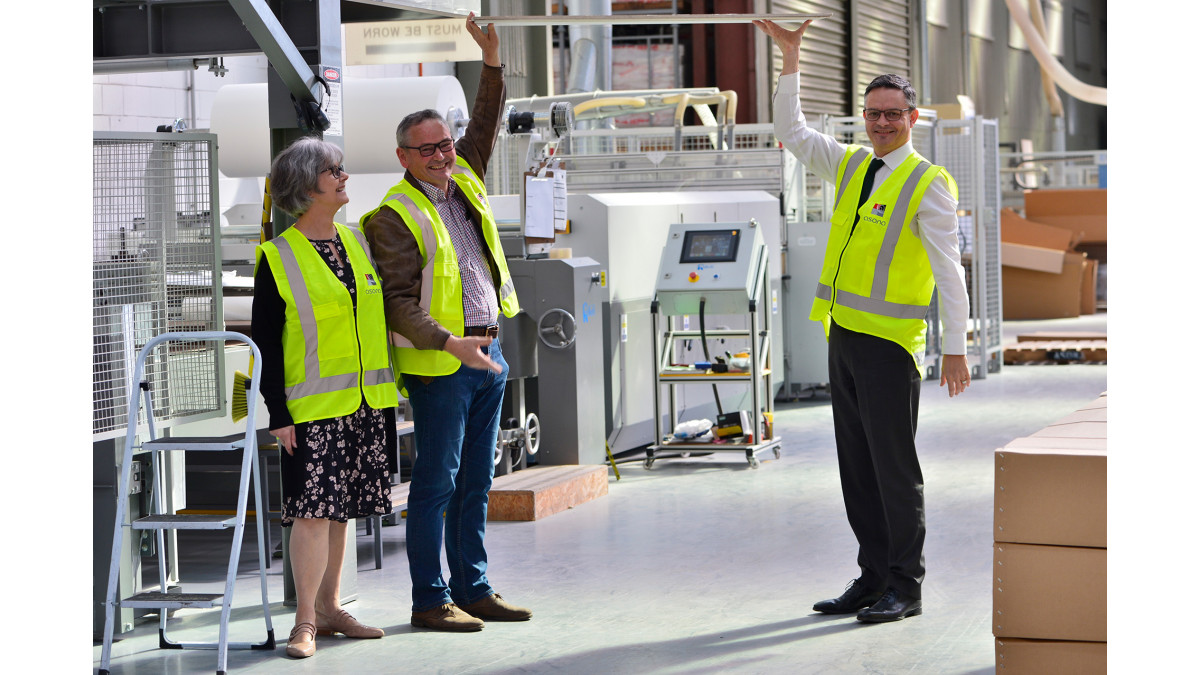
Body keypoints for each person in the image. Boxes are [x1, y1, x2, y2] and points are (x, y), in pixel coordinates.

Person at [754, 19, 972, 624]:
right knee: (856, 467)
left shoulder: (928, 184)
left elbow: (949, 272)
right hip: (844, 337)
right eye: (873, 114)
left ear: (913, 118)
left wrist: (956, 347)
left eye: (892, 114)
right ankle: (873, 575)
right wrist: (791, 57)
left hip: (891, 347)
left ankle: (907, 585)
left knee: (894, 471)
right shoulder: (851, 166)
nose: (882, 123)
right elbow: (790, 131)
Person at [360, 13, 531, 633]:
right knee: (437, 484)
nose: (442, 154)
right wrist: (450, 344)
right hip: (442, 367)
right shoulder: (390, 216)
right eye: (427, 148)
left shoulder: (464, 180)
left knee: (477, 482)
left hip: (489, 356)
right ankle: (429, 600)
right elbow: (399, 302)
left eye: (446, 143)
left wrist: (490, 63)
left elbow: (483, 125)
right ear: (403, 156)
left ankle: (474, 588)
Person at [252, 137, 399, 657]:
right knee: (311, 513)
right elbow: (266, 340)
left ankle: (333, 608)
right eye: (335, 170)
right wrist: (278, 412)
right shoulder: (278, 256)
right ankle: (304, 622)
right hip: (311, 409)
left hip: (365, 402)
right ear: (307, 183)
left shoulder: (356, 242)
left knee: (341, 512)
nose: (345, 177)